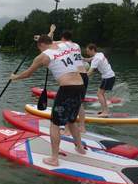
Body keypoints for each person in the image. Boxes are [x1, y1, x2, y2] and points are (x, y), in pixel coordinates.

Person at [10, 34, 86, 166]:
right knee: (71, 120)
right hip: (80, 86)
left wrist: (14, 77)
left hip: (67, 89)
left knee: (55, 124)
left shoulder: (42, 56)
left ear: (40, 45)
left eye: (39, 47)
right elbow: (53, 41)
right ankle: (80, 148)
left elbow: (28, 74)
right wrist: (45, 35)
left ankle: (54, 159)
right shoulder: (64, 46)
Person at [48, 27, 88, 133]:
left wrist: (51, 31)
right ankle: (82, 127)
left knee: (67, 103)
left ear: (62, 37)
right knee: (79, 103)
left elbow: (48, 42)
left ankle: (67, 130)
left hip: (74, 76)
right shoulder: (77, 45)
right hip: (84, 75)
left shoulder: (63, 44)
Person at [85, 44, 115, 117]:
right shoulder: (100, 54)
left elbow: (89, 72)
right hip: (110, 76)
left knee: (99, 94)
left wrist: (80, 77)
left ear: (92, 50)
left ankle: (105, 112)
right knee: (101, 94)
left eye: (88, 51)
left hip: (108, 77)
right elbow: (90, 59)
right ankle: (105, 110)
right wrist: (83, 59)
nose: (87, 53)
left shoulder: (96, 59)